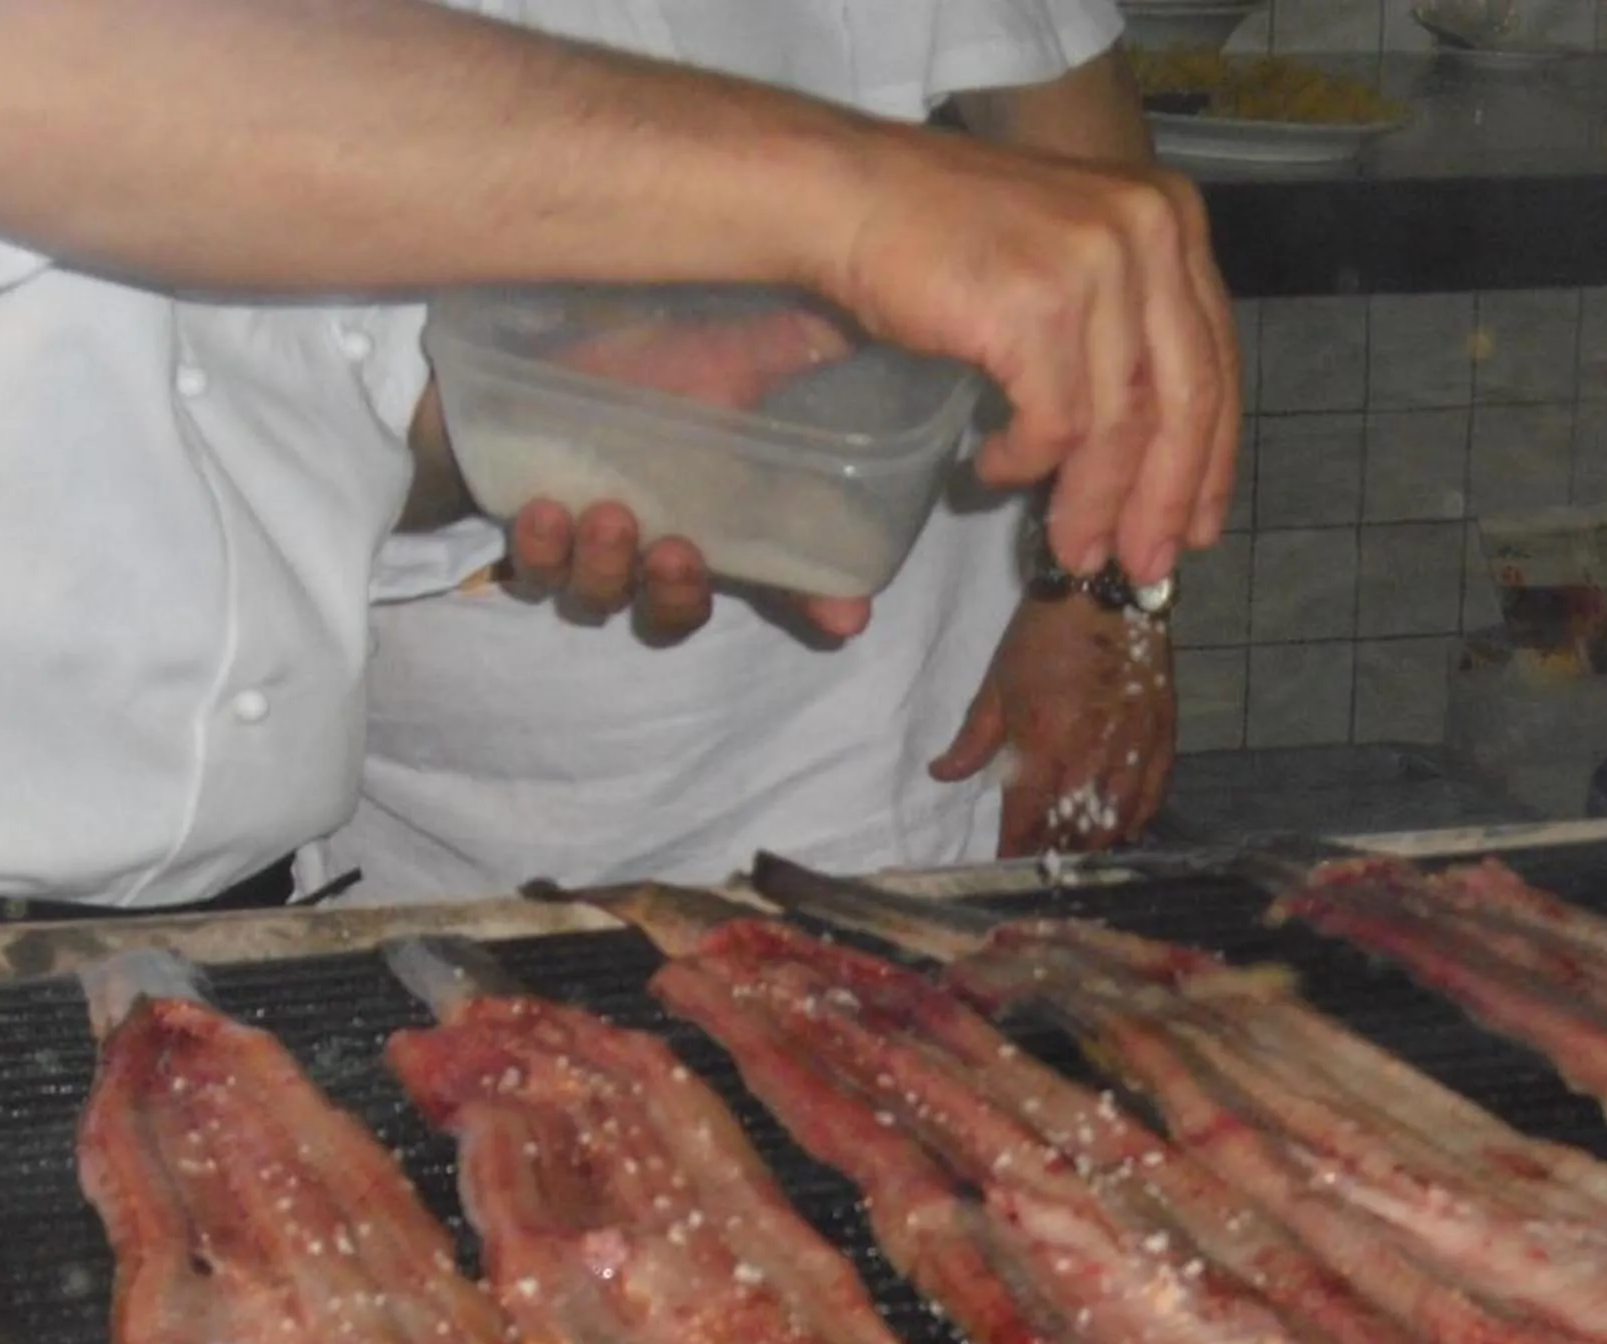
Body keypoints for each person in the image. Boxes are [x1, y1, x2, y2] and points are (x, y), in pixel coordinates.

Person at [0, 0, 1236, 910]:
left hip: (246, 904)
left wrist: (560, 426)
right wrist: (849, 199)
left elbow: (302, 416)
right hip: (388, 833)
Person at [329, 0, 1176, 901]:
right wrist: (519, 450)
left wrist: (1102, 593)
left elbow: (1089, 187)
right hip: (424, 798)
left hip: (866, 747)